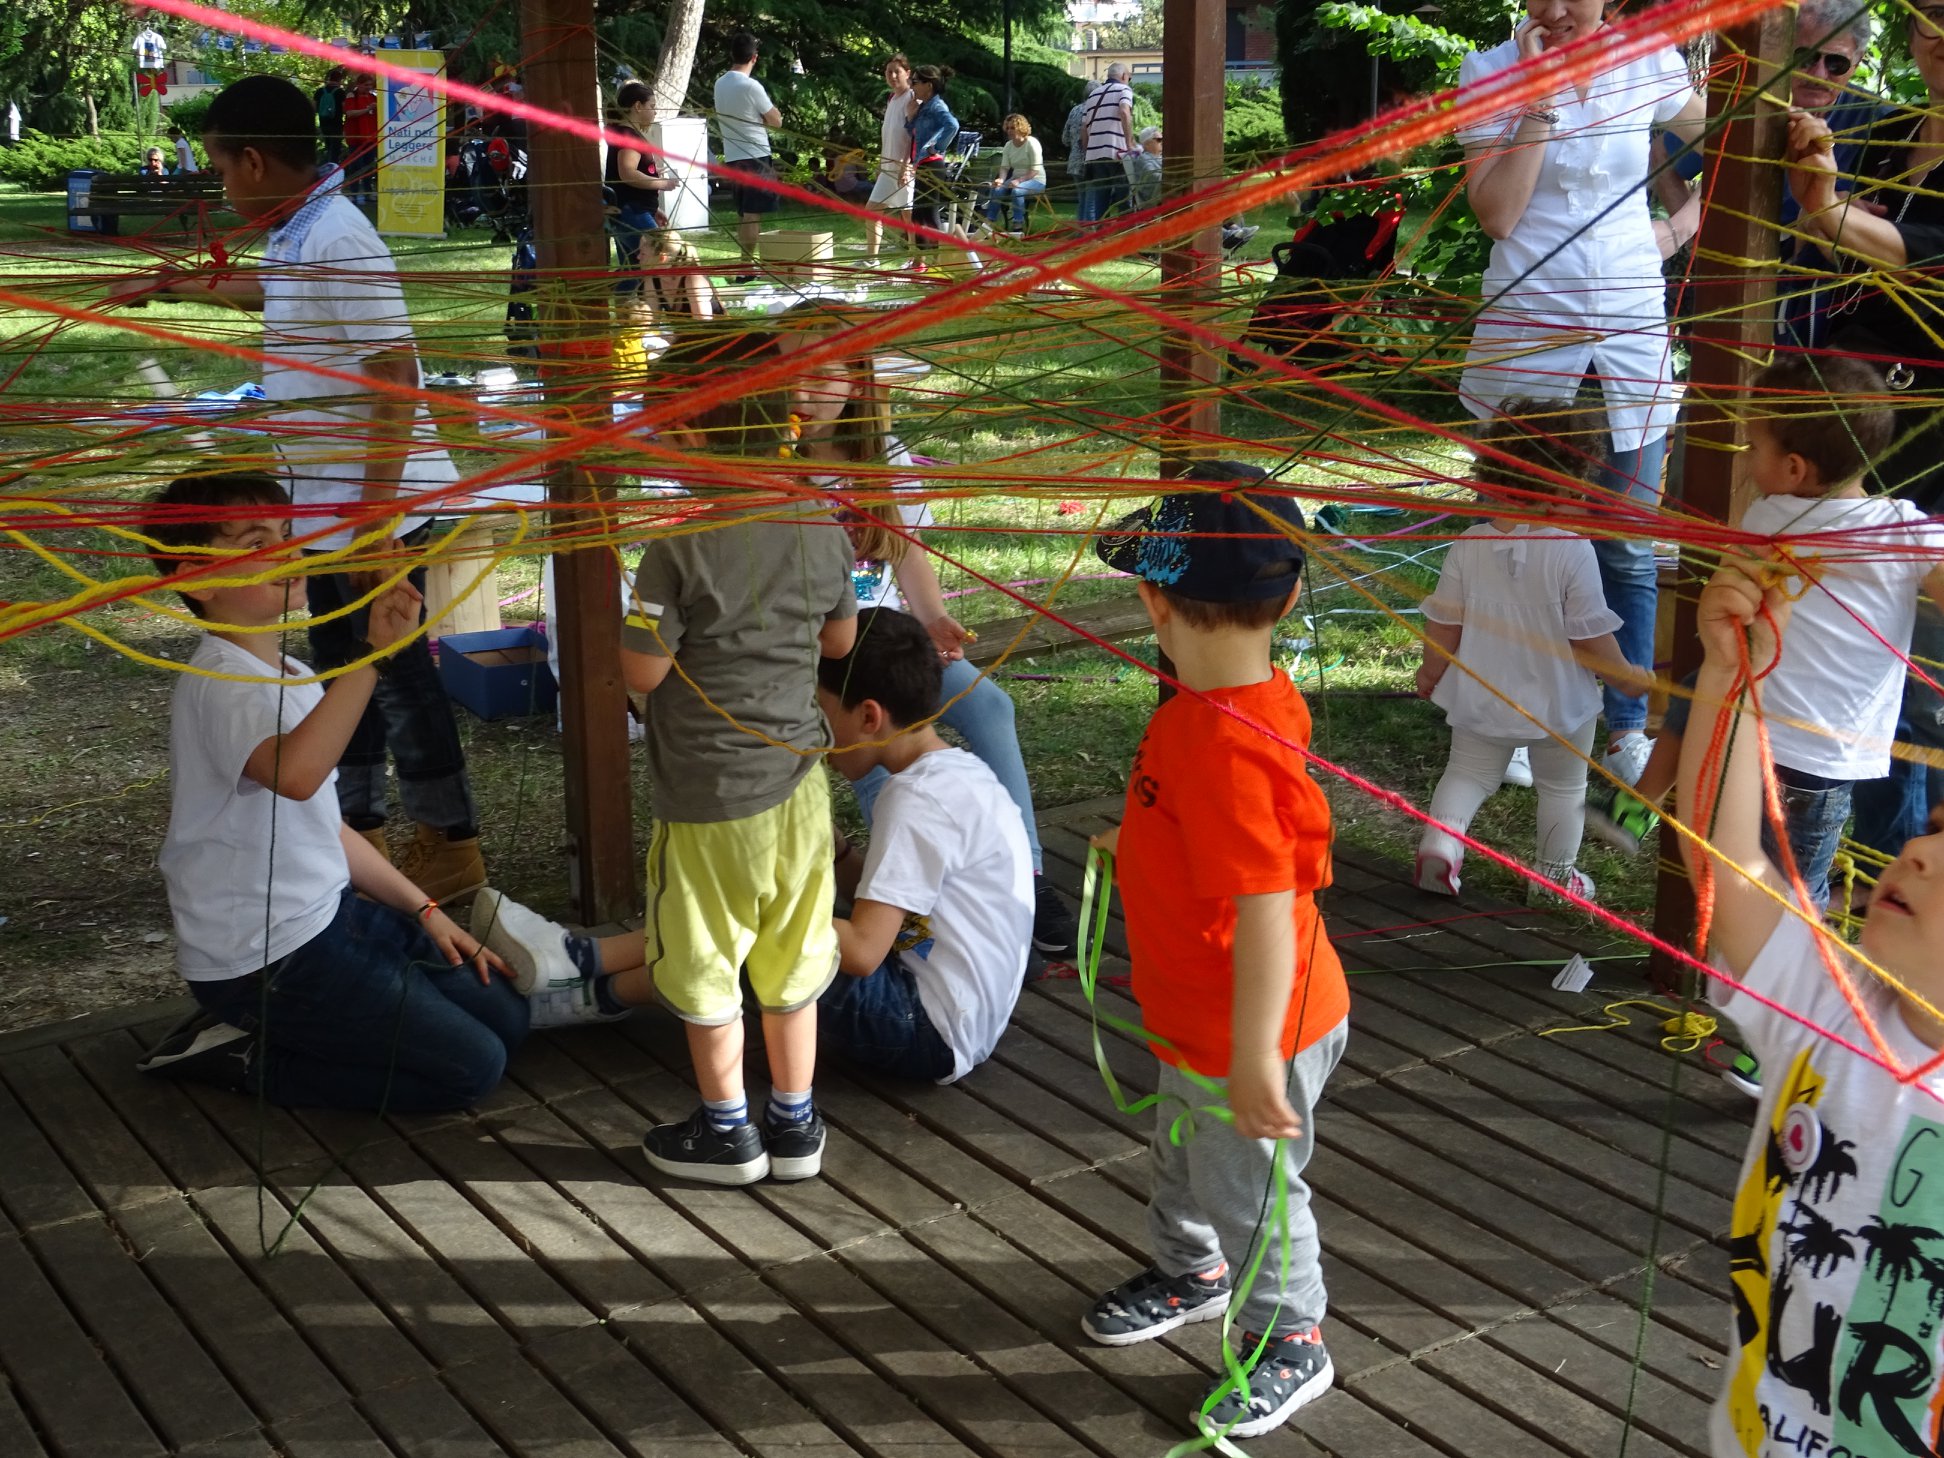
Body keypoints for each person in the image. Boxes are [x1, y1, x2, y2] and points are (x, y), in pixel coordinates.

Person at [113, 76, 487, 905]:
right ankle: (357, 832)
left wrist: (373, 519)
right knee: (336, 670)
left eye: (220, 167)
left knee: (393, 672)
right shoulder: (299, 228)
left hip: (376, 507)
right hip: (328, 507)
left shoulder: (339, 237)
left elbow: (397, 375)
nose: (221, 186)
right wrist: (173, 288)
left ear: (251, 160)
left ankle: (449, 843)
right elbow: (281, 298)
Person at [133, 473, 574, 1111]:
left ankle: (318, 1026)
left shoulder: (291, 673)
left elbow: (324, 825)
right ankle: (240, 1052)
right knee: (470, 1071)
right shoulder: (218, 681)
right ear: (196, 578)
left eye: (287, 533)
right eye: (259, 541)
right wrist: (374, 654)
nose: (288, 550)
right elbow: (297, 776)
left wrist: (424, 911)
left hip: (334, 917)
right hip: (264, 960)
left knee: (507, 1018)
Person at [1082, 482, 1349, 1443]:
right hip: (1202, 1015)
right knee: (1186, 1158)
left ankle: (1294, 1337)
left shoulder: (1232, 746)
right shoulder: (1226, 704)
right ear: (1282, 603)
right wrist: (1144, 839)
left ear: (1154, 605)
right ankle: (1194, 1273)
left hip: (1251, 1029)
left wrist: (1250, 1058)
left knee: (1254, 1188)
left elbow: (1270, 906)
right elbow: (1222, 839)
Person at [1675, 561, 1944, 1458]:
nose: (1917, 852)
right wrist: (1726, 676)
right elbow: (1727, 859)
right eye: (1934, 831)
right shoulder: (1829, 1001)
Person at [1456, 0, 1705, 789]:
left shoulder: (1647, 58)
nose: (1558, 9)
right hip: (1532, 322)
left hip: (1629, 324)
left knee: (1627, 539)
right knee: (1517, 539)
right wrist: (1539, 98)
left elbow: (1728, 140)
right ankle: (1518, 715)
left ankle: (1626, 725)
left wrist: (1676, 228)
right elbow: (1497, 214)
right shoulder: (1490, 69)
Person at [621, 370, 858, 1186]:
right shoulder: (822, 525)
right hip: (799, 792)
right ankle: (795, 1124)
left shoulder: (675, 547)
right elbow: (839, 640)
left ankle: (729, 1133)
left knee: (705, 959)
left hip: (708, 803)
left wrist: (641, 617)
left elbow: (642, 675)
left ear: (691, 439)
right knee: (794, 958)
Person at [1599, 357, 1944, 914]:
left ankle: (1787, 968)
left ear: (1793, 467)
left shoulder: (1897, 530)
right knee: (1741, 855)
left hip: (1809, 747)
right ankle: (1640, 807)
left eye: (1751, 447)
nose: (1745, 458)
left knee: (1788, 886)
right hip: (1754, 716)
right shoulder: (1772, 514)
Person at [782, 311, 1079, 955]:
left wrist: (934, 617)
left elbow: (904, 548)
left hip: (890, 638)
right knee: (871, 746)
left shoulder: (878, 457)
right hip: (822, 653)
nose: (807, 391)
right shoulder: (776, 467)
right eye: (791, 372)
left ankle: (1027, 876)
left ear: (857, 378)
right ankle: (902, 900)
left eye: (824, 372)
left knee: (990, 706)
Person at [1786, 0, 1944, 869]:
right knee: (1847, 641)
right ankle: (1852, 863)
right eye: (1929, 21)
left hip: (1932, 441)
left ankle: (1902, 877)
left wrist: (1830, 210)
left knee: (1916, 669)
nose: (1940, 44)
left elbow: (1916, 250)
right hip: (1854, 421)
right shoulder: (1892, 130)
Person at [1412, 402, 1638, 904]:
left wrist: (1431, 671)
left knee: (1467, 774)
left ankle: (1441, 845)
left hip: (1481, 694)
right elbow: (1588, 637)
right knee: (1561, 788)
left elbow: (1444, 621)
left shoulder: (1468, 545)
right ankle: (1553, 879)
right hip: (1560, 706)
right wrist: (1625, 676)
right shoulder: (1572, 550)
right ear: (1563, 484)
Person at [819, 607, 1034, 1081]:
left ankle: (616, 987)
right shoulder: (955, 773)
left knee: (752, 935)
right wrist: (836, 853)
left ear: (870, 715)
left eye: (821, 713)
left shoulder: (915, 799)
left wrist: (758, 909)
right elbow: (895, 903)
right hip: (961, 1022)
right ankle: (616, 982)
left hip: (924, 1030)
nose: (815, 736)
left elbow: (860, 952)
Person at [1775, 0, 1886, 350]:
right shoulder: (1755, 109)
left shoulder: (1884, 124)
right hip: (1742, 285)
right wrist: (1690, 231)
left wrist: (1824, 212)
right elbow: (1666, 157)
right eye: (1805, 57)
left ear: (1856, 63)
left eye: (1835, 62)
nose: (1819, 73)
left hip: (1833, 310)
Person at [713, 33, 782, 277]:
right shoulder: (751, 85)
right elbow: (775, 121)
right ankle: (747, 267)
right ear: (754, 57)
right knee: (753, 214)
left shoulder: (720, 83)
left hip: (733, 157)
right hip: (755, 156)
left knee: (744, 213)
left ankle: (746, 264)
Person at [607, 78, 680, 308]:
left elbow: (632, 174)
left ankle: (629, 313)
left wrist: (654, 207)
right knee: (658, 260)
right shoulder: (629, 136)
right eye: (652, 106)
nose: (654, 112)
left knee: (633, 267)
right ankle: (666, 311)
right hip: (631, 212)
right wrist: (662, 183)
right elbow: (627, 174)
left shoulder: (626, 133)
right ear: (637, 106)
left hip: (632, 209)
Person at [864, 55, 915, 263]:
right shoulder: (891, 99)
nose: (893, 76)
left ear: (907, 73)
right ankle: (871, 258)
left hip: (905, 167)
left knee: (908, 215)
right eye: (888, 72)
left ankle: (915, 259)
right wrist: (881, 162)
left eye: (897, 71)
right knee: (872, 211)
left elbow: (913, 135)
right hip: (888, 166)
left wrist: (906, 165)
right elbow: (890, 134)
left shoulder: (912, 98)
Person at [905, 65, 959, 245]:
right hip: (923, 164)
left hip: (932, 165)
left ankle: (937, 258)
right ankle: (920, 261)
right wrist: (910, 116)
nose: (912, 86)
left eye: (915, 82)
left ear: (928, 85)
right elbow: (913, 132)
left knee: (928, 213)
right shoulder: (924, 107)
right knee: (918, 214)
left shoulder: (936, 106)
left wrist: (936, 147)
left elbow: (953, 125)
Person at [1076, 63, 1134, 223]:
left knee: (1101, 198)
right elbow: (1124, 112)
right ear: (1123, 76)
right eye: (1129, 77)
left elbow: (1084, 128)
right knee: (1125, 197)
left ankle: (1102, 236)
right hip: (1117, 151)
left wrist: (1089, 153)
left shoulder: (1093, 94)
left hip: (1095, 155)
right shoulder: (1124, 90)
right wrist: (1129, 144)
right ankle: (1126, 234)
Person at [981, 112, 1045, 237]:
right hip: (1016, 180)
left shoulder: (1032, 143)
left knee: (1017, 191)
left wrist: (1019, 181)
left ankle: (1018, 224)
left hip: (1036, 180)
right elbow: (1005, 167)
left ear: (1021, 128)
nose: (1009, 131)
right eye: (1008, 128)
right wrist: (1000, 179)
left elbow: (1035, 170)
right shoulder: (1008, 146)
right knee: (998, 189)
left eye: (1013, 128)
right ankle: (989, 222)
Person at [341, 73, 379, 211]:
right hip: (355, 138)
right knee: (356, 166)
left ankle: (368, 192)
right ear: (359, 84)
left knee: (369, 166)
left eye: (370, 85)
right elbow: (350, 113)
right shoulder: (352, 96)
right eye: (366, 85)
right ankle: (354, 192)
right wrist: (368, 109)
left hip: (371, 137)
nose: (369, 88)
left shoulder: (373, 98)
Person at [315, 66, 347, 166]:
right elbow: (345, 108)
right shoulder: (340, 92)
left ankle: (326, 166)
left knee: (328, 147)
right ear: (340, 80)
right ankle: (332, 169)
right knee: (335, 150)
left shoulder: (320, 91)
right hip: (336, 124)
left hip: (324, 122)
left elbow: (314, 106)